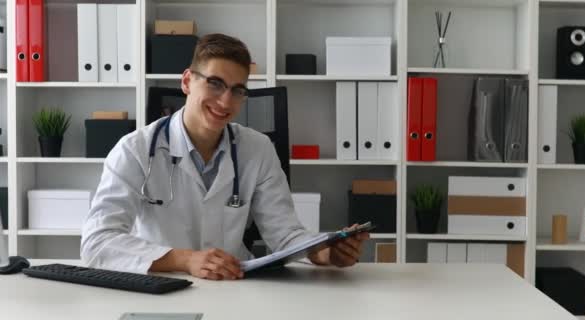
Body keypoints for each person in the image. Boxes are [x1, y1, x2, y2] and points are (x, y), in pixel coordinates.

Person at [81, 33, 370, 280]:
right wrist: (186, 260)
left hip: (233, 286)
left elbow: (285, 235)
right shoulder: (135, 149)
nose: (225, 101)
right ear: (186, 81)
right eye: (215, 84)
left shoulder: (257, 149)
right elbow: (98, 242)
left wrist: (325, 252)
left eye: (237, 90)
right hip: (161, 285)